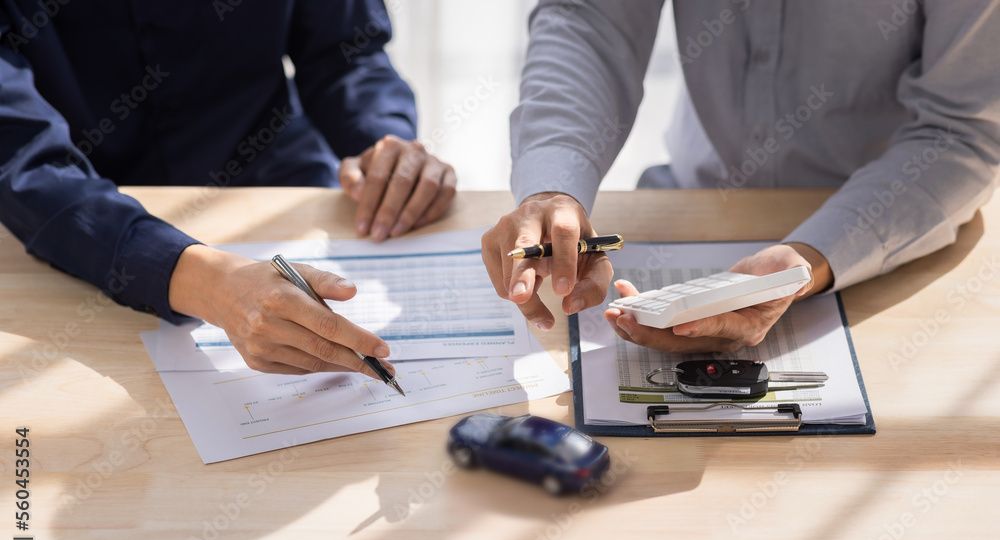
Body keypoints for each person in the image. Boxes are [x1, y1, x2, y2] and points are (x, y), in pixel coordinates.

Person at [481, 0, 1000, 353]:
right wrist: (553, 182)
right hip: (694, 200)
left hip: (895, 242)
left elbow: (964, 129)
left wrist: (810, 260)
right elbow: (589, 18)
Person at [0, 0, 456, 376]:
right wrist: (207, 283)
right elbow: (24, 162)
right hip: (83, 228)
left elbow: (346, 52)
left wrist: (383, 143)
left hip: (283, 187)